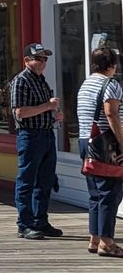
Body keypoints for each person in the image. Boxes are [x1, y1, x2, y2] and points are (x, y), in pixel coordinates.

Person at [10, 43, 62, 240]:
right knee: (27, 180)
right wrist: (47, 106)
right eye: (38, 58)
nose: (42, 62)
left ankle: (41, 220)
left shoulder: (41, 81)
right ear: (26, 61)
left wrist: (54, 115)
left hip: (46, 133)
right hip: (30, 135)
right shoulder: (21, 81)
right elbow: (20, 112)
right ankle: (24, 224)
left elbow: (43, 109)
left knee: (45, 180)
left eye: (44, 59)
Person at [78, 47, 123, 257]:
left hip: (85, 141)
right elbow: (111, 113)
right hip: (106, 145)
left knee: (95, 194)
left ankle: (94, 238)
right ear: (112, 65)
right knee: (109, 193)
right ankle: (107, 242)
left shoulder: (86, 84)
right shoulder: (110, 84)